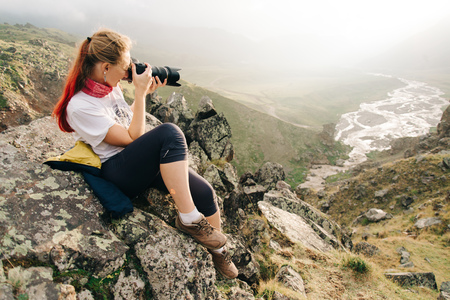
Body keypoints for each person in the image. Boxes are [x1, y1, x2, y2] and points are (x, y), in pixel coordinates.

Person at [52, 28, 238, 279]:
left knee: (205, 192)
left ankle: (218, 250)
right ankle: (189, 219)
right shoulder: (81, 106)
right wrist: (138, 93)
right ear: (106, 67)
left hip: (138, 161)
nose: (128, 72)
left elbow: (124, 122)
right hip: (118, 171)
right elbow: (131, 138)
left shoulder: (108, 86)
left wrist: (143, 96)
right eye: (125, 67)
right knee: (169, 133)